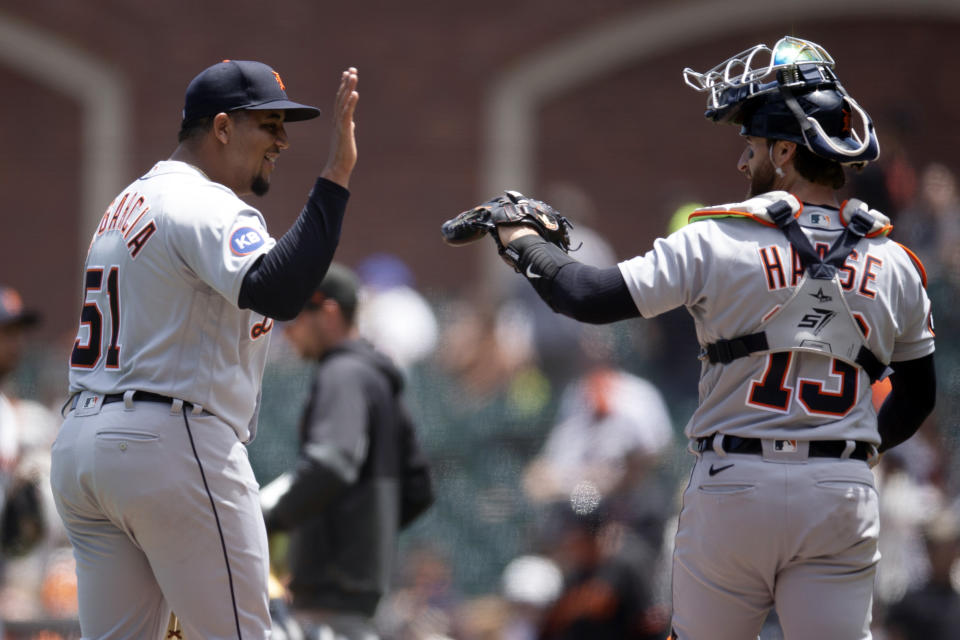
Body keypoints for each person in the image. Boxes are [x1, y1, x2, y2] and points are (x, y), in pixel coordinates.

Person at [448, 36, 937, 639]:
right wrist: (848, 453)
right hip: (840, 490)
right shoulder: (896, 261)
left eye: (751, 145)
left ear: (785, 150)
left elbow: (586, 296)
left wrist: (520, 237)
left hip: (737, 484)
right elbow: (917, 398)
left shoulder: (717, 239)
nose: (742, 162)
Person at [50, 59, 359, 639]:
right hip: (168, 440)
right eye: (269, 124)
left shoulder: (127, 203)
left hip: (84, 449)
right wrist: (337, 175)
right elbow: (281, 288)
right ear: (222, 127)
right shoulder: (201, 201)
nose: (283, 141)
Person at [260, 263, 434, 640]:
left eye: (295, 318)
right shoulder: (378, 376)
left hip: (328, 596)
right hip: (361, 590)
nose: (288, 334)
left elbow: (333, 463)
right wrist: (367, 537)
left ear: (328, 311)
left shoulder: (343, 374)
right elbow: (419, 488)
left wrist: (271, 519)